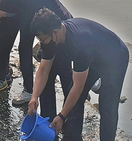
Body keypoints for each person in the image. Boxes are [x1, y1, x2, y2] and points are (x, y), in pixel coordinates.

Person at [28, 8, 129, 141]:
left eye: (42, 39)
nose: (41, 43)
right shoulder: (52, 38)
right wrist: (34, 97)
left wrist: (62, 116)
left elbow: (78, 86)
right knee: (73, 96)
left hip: (114, 58)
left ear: (54, 33)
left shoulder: (79, 44)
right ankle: (73, 137)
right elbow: (43, 69)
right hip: (93, 57)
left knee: (107, 106)